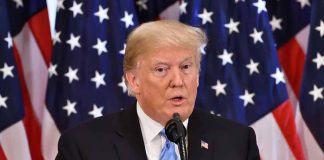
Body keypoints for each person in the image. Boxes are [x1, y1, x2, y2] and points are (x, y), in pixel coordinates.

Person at [55, 20, 260, 160]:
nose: (177, 81)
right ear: (134, 81)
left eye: (186, 67)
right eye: (161, 69)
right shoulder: (83, 147)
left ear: (197, 75)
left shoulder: (237, 143)